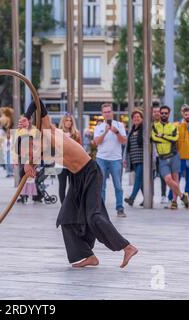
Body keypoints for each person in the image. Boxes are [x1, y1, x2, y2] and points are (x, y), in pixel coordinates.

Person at [20, 100, 138, 268]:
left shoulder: (47, 133)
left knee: (94, 217)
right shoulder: (43, 137)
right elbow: (35, 155)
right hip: (77, 177)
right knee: (66, 218)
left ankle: (127, 247)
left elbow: (36, 101)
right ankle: (87, 256)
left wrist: (26, 117)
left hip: (90, 172)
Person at [152, 106, 189, 210]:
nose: (164, 115)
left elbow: (175, 138)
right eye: (162, 113)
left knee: (175, 179)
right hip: (162, 158)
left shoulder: (173, 126)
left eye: (166, 113)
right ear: (159, 114)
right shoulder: (155, 126)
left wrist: (163, 136)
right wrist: (166, 138)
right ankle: (182, 196)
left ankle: (174, 202)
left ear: (169, 114)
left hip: (174, 156)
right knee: (168, 179)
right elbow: (154, 138)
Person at [93, 103, 127, 218]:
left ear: (112, 112)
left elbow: (124, 141)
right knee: (101, 185)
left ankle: (120, 208)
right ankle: (101, 210)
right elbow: (96, 142)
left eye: (109, 111)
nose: (107, 114)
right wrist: (106, 131)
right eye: (105, 112)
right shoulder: (98, 127)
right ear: (102, 114)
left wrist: (116, 132)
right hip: (101, 158)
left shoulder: (119, 125)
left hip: (116, 159)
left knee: (118, 185)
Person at [57, 113, 82, 204]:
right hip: (60, 164)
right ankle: (63, 206)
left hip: (72, 163)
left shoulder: (75, 133)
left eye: (70, 120)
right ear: (63, 121)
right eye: (66, 120)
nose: (68, 122)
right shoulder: (58, 132)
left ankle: (72, 205)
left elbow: (80, 148)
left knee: (73, 186)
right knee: (62, 186)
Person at [123, 109, 144, 207]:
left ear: (142, 118)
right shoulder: (132, 130)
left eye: (138, 117)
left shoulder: (144, 129)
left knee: (138, 180)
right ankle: (147, 198)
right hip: (134, 160)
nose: (136, 118)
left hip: (142, 159)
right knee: (141, 181)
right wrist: (126, 159)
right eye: (135, 117)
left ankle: (132, 198)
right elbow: (128, 146)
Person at [152, 102, 168, 204]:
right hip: (152, 154)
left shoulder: (166, 124)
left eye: (158, 111)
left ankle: (163, 195)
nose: (157, 113)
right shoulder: (149, 124)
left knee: (164, 176)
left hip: (163, 154)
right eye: (155, 111)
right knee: (150, 177)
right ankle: (149, 196)